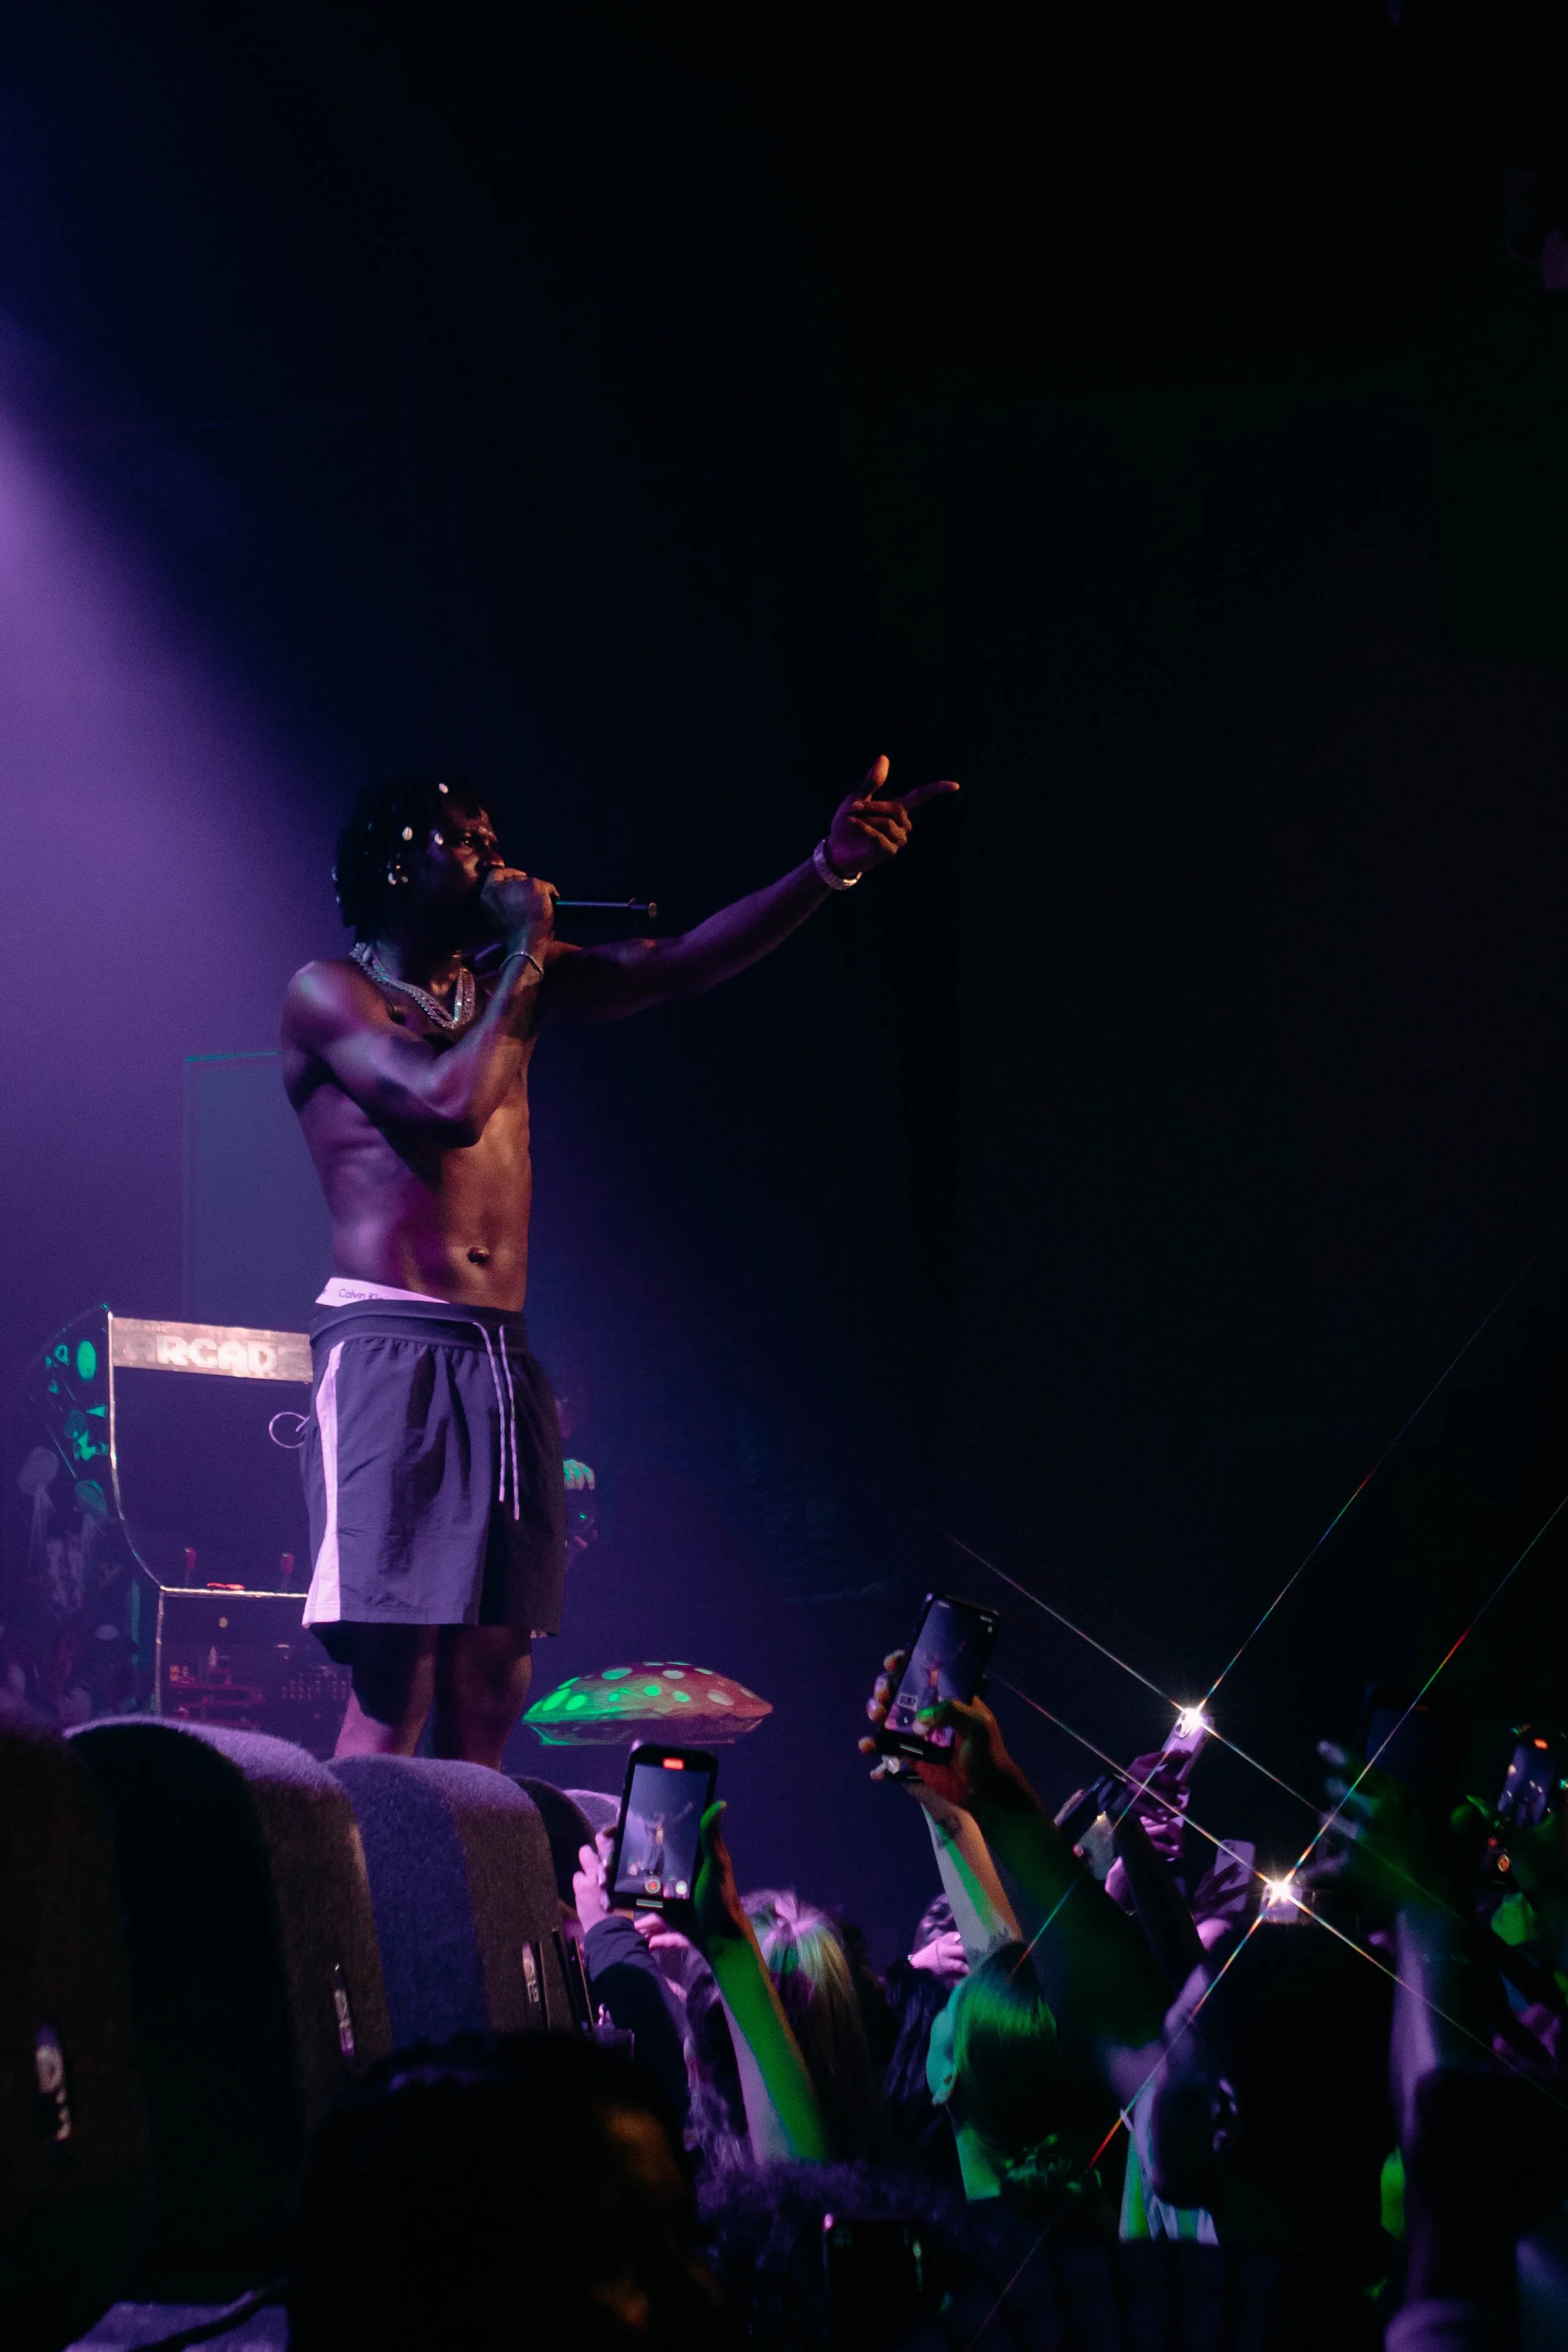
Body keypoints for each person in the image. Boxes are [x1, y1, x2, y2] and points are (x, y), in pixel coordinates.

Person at [280, 759, 956, 1764]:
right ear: (395, 864)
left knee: (493, 1679)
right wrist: (527, 950)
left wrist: (827, 867)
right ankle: (356, 1872)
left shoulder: (508, 983)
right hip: (393, 1342)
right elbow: (448, 1104)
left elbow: (680, 962)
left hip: (500, 1353)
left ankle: (464, 1866)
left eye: (495, 839)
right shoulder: (331, 993)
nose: (494, 857)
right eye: (466, 840)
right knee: (398, 1679)